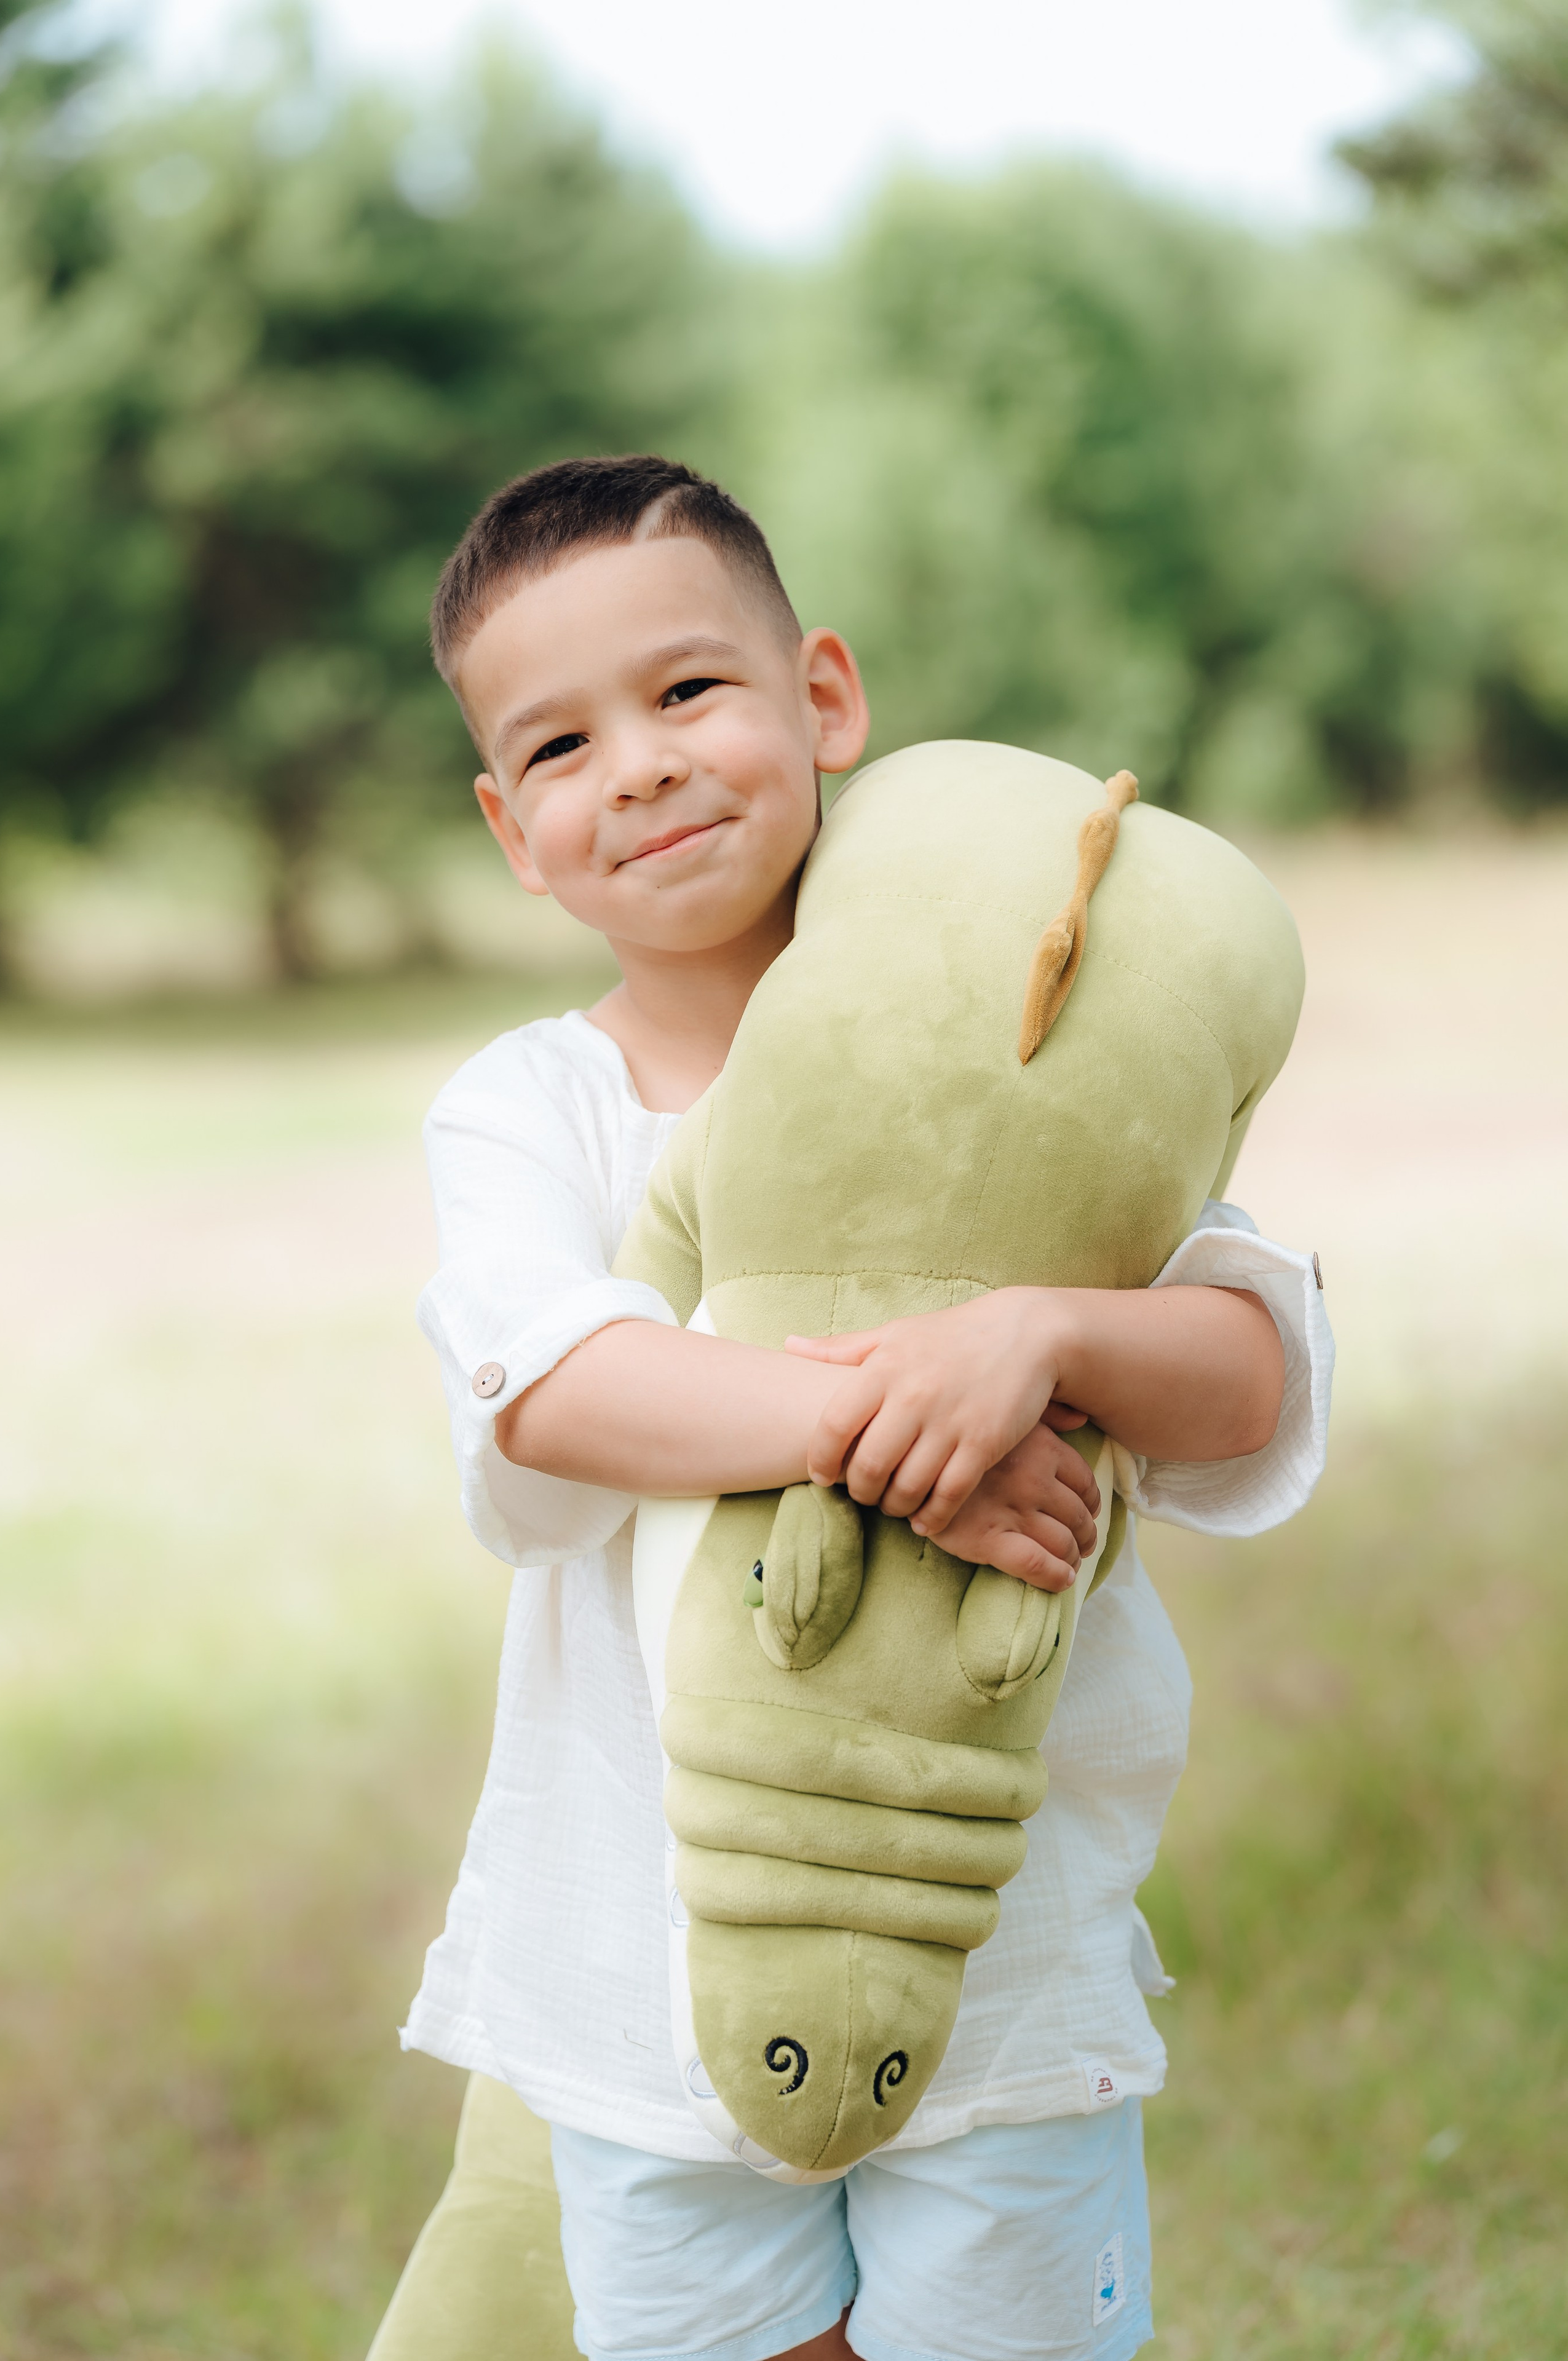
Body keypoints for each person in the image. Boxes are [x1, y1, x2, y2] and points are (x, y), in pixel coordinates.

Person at [369, 454, 1332, 2361]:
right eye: (558, 747)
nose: (635, 767)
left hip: (1001, 1946)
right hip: (642, 1953)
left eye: (686, 693)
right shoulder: (534, 1108)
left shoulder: (1020, 1049)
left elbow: (1252, 1373)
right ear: (510, 827)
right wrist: (894, 1438)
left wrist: (1042, 1344)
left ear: (824, 698)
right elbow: (562, 1393)